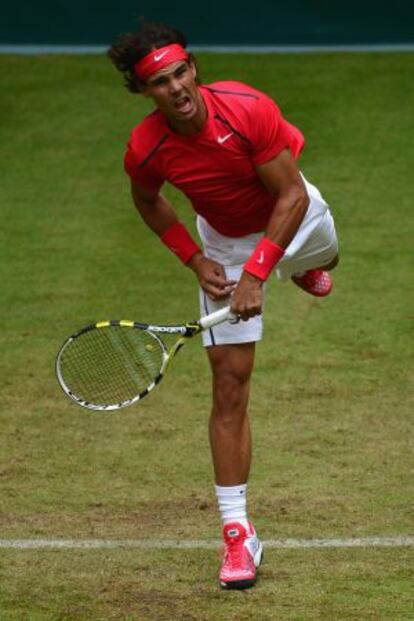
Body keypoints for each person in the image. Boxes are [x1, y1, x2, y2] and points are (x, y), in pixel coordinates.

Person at [108, 21, 339, 590]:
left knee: (328, 261)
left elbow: (289, 194)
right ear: (145, 94)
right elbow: (147, 199)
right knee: (229, 386)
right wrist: (195, 260)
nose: (177, 88)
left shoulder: (248, 108)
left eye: (181, 72)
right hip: (226, 244)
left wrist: (259, 272)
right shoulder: (146, 148)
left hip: (296, 216)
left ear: (195, 69)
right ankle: (238, 534)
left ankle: (297, 267)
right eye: (160, 82)